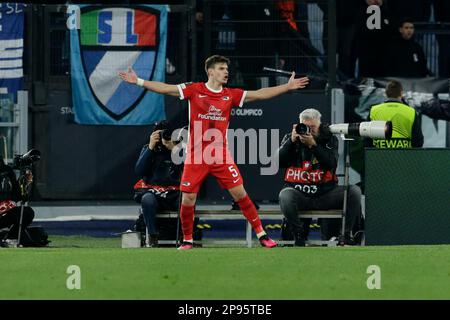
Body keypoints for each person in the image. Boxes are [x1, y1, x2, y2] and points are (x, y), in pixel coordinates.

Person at [119, 54, 309, 250]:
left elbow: (259, 94)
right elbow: (167, 89)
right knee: (188, 198)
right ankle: (187, 240)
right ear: (210, 71)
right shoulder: (194, 90)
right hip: (196, 156)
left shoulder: (230, 94)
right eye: (221, 68)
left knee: (241, 195)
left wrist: (287, 87)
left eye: (226, 69)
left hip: (220, 156)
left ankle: (262, 235)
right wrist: (138, 81)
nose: (226, 72)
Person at [277, 108, 362, 246]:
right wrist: (291, 142)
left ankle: (345, 235)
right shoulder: (290, 138)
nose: (309, 131)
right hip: (299, 193)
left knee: (354, 192)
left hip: (326, 193)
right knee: (285, 195)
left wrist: (314, 145)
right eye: (305, 127)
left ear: (319, 124)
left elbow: (331, 164)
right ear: (299, 125)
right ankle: (298, 235)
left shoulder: (329, 139)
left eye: (313, 127)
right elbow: (279, 163)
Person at [134, 121, 185, 247]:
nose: (164, 137)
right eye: (160, 134)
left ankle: (185, 235)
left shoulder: (181, 149)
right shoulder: (149, 148)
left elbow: (187, 172)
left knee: (187, 199)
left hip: (175, 192)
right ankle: (152, 236)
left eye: (167, 134)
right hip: (154, 192)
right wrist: (151, 147)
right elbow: (139, 171)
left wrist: (174, 149)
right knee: (147, 199)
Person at [369, 80, 424, 148]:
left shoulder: (374, 110)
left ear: (386, 93)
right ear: (401, 93)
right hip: (404, 156)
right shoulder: (411, 112)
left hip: (378, 156)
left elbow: (367, 139)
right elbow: (418, 141)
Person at [0, 159, 35, 245]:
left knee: (27, 212)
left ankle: (11, 237)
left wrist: (25, 184)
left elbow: (16, 196)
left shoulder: (6, 170)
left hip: (3, 210)